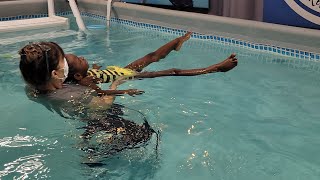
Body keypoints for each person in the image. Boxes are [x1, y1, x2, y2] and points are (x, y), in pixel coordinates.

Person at [64, 32, 238, 96]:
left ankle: (176, 42)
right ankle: (215, 69)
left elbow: (97, 77)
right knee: (171, 71)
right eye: (79, 60)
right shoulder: (84, 82)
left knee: (151, 56)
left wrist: (94, 69)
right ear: (77, 75)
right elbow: (102, 92)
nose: (82, 57)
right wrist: (125, 90)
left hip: (121, 70)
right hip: (127, 75)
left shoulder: (85, 74)